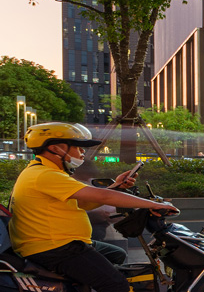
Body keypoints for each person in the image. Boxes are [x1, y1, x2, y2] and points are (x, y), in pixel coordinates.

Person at [8, 122, 180, 292]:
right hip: (55, 248)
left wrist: (116, 186)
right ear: (56, 148)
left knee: (117, 255)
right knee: (117, 285)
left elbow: (85, 203)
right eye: (78, 147)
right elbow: (103, 196)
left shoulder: (42, 171)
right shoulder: (45, 175)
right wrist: (154, 204)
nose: (82, 152)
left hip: (57, 243)